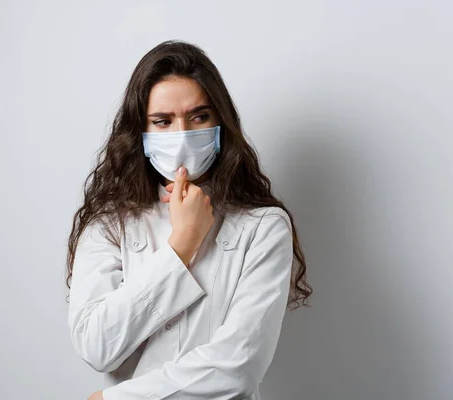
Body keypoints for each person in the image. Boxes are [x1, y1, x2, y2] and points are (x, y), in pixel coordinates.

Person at [66, 40, 312, 400]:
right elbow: (96, 345)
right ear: (142, 133)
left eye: (198, 117)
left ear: (220, 123)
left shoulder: (263, 226)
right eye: (162, 121)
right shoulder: (110, 225)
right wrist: (182, 243)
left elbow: (238, 367)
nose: (181, 134)